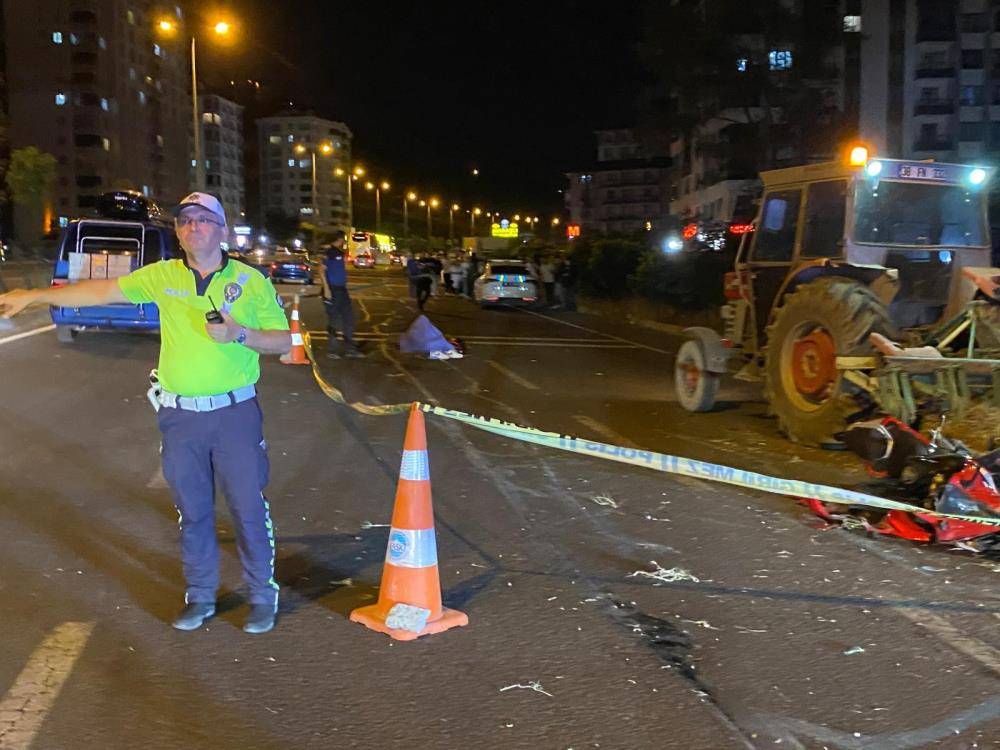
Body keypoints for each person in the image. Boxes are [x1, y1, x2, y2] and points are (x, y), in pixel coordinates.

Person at [0, 192, 292, 634]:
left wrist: (238, 334)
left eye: (204, 219)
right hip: (180, 418)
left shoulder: (251, 281)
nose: (194, 226)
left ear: (222, 229)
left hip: (234, 414)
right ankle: (201, 595)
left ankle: (261, 596)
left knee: (248, 507)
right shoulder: (162, 275)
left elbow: (282, 340)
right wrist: (36, 296)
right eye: (185, 220)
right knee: (193, 511)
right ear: (178, 232)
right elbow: (101, 290)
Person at [320, 232, 362, 359]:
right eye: (343, 239)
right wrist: (326, 289)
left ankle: (350, 349)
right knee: (334, 320)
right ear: (339, 239)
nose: (344, 242)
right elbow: (321, 271)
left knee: (348, 318)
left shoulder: (337, 252)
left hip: (342, 290)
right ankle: (332, 350)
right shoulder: (330, 253)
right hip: (333, 290)